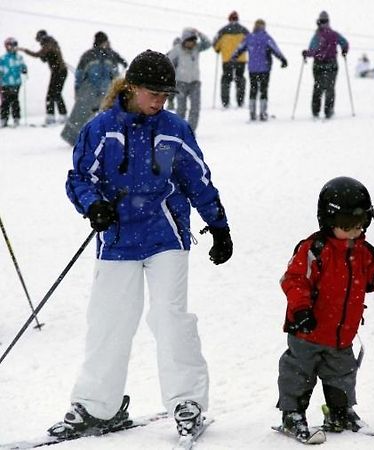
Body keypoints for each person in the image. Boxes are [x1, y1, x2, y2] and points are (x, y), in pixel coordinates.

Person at [48, 50, 233, 442]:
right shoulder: (101, 129)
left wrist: (218, 225)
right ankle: (99, 406)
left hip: (166, 235)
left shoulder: (173, 129)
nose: (160, 101)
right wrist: (93, 205)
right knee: (109, 321)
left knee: (169, 318)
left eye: (166, 95)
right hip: (117, 238)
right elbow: (79, 178)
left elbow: (197, 179)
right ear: (131, 87)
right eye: (154, 93)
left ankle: (187, 402)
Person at [277, 176, 374, 440]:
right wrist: (302, 310)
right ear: (328, 222)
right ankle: (292, 413)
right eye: (345, 226)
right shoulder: (314, 249)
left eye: (358, 226)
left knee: (342, 375)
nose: (353, 232)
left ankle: (340, 411)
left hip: (341, 336)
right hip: (307, 330)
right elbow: (294, 281)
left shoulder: (364, 252)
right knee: (298, 374)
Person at [61, 31, 128, 145]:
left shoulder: (88, 55)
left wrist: (77, 90)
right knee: (109, 114)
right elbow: (117, 71)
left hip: (89, 90)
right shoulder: (110, 55)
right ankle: (113, 137)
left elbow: (79, 75)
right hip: (106, 89)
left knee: (82, 114)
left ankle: (73, 137)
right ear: (105, 41)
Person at [232, 19, 288, 121]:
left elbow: (239, 48)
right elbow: (275, 49)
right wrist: (283, 60)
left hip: (252, 69)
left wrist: (234, 56)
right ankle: (262, 113)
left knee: (253, 89)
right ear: (263, 26)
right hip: (264, 68)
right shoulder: (266, 38)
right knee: (263, 90)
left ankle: (252, 113)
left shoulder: (249, 37)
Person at [302, 11, 349, 119]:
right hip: (332, 64)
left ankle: (315, 110)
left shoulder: (317, 35)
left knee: (318, 87)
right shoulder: (334, 34)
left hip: (318, 65)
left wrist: (306, 53)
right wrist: (344, 51)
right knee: (330, 88)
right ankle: (328, 110)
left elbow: (312, 50)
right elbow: (345, 43)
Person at [19, 30, 67, 125]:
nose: (39, 42)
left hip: (58, 72)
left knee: (52, 95)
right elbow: (45, 57)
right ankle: (61, 115)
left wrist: (25, 50)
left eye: (39, 40)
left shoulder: (48, 43)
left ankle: (52, 116)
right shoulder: (51, 43)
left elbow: (38, 54)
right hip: (60, 72)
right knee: (56, 94)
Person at [167, 28, 211, 132]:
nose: (192, 43)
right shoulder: (177, 49)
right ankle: (179, 131)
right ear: (184, 40)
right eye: (190, 40)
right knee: (181, 109)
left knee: (195, 108)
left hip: (195, 83)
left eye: (194, 41)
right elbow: (168, 61)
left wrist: (199, 33)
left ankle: (190, 131)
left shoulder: (197, 48)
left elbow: (208, 44)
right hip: (181, 83)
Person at [213, 11, 249, 108]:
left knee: (226, 80)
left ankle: (225, 102)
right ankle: (240, 101)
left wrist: (218, 49)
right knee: (240, 78)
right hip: (241, 60)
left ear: (229, 19)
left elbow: (216, 46)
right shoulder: (244, 30)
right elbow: (250, 43)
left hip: (227, 60)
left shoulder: (223, 31)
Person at [0, 37, 27, 127]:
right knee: (5, 102)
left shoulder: (19, 57)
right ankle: (4, 119)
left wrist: (24, 69)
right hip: (5, 83)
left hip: (16, 83)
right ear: (6, 46)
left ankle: (16, 118)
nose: (12, 47)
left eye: (14, 45)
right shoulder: (3, 58)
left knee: (14, 100)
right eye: (10, 45)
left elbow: (23, 66)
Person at [166, 36, 181, 110]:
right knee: (171, 91)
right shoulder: (170, 53)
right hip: (171, 76)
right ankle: (171, 104)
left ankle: (180, 106)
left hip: (181, 77)